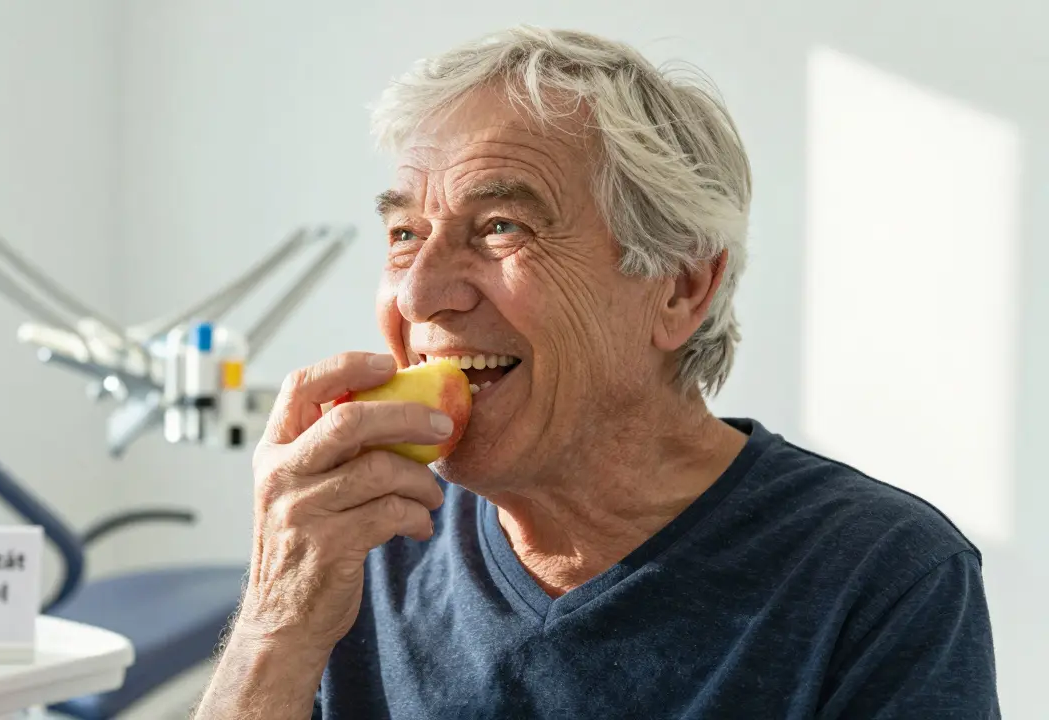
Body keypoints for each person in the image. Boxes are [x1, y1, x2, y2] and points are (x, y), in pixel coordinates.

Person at [194, 26, 999, 719]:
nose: (418, 291)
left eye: (499, 226)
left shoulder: (882, 575)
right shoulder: (362, 533)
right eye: (405, 233)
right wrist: (276, 620)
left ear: (681, 288)